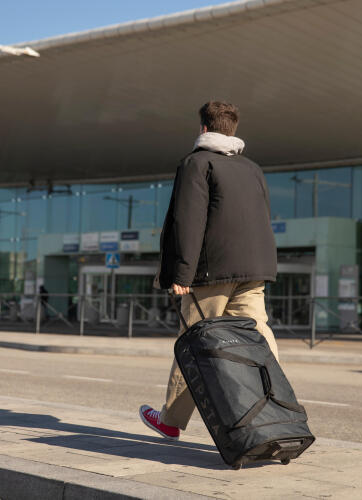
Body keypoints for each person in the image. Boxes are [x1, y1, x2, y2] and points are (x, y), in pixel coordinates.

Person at [139, 101, 278, 440]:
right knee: (258, 338)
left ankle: (171, 420)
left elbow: (188, 222)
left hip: (210, 273)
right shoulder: (252, 168)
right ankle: (277, 406)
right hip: (254, 270)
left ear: (203, 128)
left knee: (194, 341)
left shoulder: (196, 164)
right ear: (232, 129)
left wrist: (181, 275)